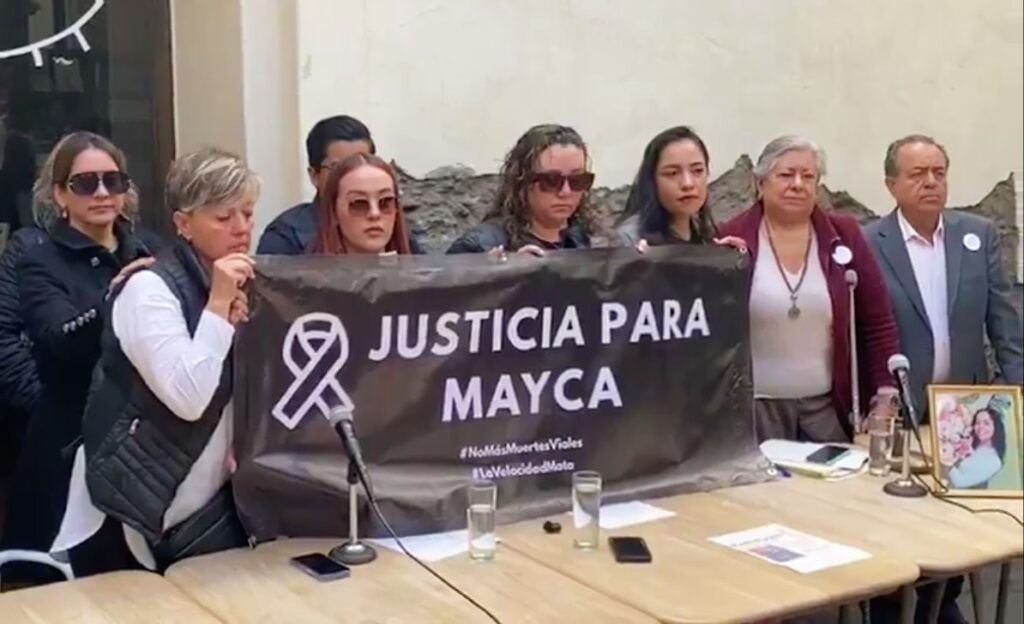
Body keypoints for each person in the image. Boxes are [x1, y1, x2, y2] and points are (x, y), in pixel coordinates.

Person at [52, 147, 259, 576]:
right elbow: (189, 397)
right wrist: (218, 306)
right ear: (183, 223)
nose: (241, 228)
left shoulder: (244, 284)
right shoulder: (147, 290)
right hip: (127, 511)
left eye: (248, 213)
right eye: (223, 217)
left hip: (203, 511)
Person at [0, 132, 152, 586]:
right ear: (60, 195)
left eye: (112, 180)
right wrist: (117, 296)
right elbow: (59, 341)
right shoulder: (38, 257)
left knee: (143, 585)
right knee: (62, 588)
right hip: (69, 442)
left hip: (143, 444)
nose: (102, 193)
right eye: (85, 183)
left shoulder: (149, 250)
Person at [718, 136, 900, 443]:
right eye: (786, 175)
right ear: (760, 183)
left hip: (826, 409)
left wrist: (886, 393)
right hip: (754, 413)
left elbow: (878, 321)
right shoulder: (730, 239)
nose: (798, 184)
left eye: (808, 176)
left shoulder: (845, 236)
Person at [865, 134, 1023, 415]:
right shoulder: (869, 243)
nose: (931, 182)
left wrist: (1018, 388)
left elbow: (1004, 323)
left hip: (968, 407)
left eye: (939, 173)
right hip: (900, 407)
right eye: (917, 174)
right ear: (891, 185)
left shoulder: (979, 235)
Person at [447, 124, 601, 255]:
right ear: (523, 182)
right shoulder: (481, 246)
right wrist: (500, 275)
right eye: (551, 181)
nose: (565, 192)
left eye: (577, 181)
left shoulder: (588, 240)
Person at [257, 115, 375, 255]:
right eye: (338, 168)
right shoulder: (287, 236)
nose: (352, 177)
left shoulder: (389, 224)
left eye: (360, 166)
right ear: (314, 176)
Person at [615, 125, 746, 251]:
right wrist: (632, 260)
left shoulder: (702, 236)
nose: (687, 184)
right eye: (672, 173)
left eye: (697, 171)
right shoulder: (628, 240)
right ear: (652, 180)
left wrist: (723, 256)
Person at [311, 153, 412, 255]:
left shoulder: (417, 262)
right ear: (334, 212)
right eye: (359, 203)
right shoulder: (306, 264)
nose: (375, 214)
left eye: (386, 202)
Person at [947, 407, 1006, 489]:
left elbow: (959, 482)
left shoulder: (994, 461)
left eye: (986, 423)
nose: (981, 427)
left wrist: (945, 461)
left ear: (996, 427)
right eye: (977, 423)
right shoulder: (971, 442)